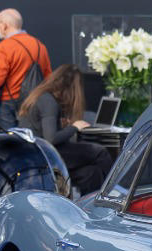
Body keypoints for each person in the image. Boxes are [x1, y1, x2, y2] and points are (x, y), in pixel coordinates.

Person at [17, 64, 113, 195]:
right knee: (100, 152)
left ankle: (90, 207)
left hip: (37, 154)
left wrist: (63, 125)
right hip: (48, 154)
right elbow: (51, 139)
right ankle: (115, 193)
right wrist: (75, 127)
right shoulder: (49, 102)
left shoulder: (41, 96)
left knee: (91, 173)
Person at [0, 8, 51, 128]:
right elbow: (48, 77)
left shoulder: (4, 47)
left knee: (10, 143)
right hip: (33, 102)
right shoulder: (40, 46)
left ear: (4, 25)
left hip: (7, 105)